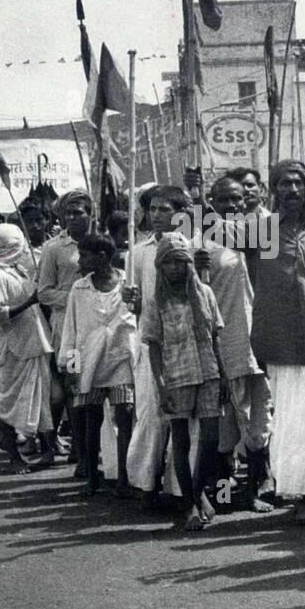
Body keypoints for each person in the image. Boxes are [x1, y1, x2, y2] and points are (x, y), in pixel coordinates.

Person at [251, 160, 305, 525]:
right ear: (273, 190)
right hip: (280, 338)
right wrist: (195, 203)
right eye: (284, 184)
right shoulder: (264, 232)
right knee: (291, 419)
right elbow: (208, 230)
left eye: (298, 184)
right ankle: (299, 494)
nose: (291, 191)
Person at [143, 232, 227, 531]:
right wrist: (160, 384)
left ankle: (198, 489)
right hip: (175, 376)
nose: (176, 268)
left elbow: (215, 335)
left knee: (211, 438)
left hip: (208, 372)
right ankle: (190, 503)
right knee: (180, 439)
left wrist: (224, 373)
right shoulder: (156, 302)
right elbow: (153, 345)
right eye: (169, 263)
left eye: (181, 261)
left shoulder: (204, 293)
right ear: (161, 267)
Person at [204, 176, 275, 512]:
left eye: (238, 199)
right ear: (212, 202)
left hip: (260, 336)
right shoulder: (203, 241)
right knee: (222, 421)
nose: (233, 206)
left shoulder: (261, 234)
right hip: (223, 338)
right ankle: (221, 493)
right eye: (224, 200)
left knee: (260, 414)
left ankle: (258, 487)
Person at [126, 185, 193, 506]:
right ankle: (145, 484)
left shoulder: (193, 246)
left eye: (164, 209)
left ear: (179, 213)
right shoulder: (138, 252)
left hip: (187, 344)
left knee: (186, 419)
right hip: (152, 342)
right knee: (151, 414)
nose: (155, 215)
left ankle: (182, 489)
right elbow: (135, 305)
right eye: (152, 209)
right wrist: (131, 301)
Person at [60, 233, 137, 496]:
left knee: (124, 416)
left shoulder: (128, 283)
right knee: (91, 419)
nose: (80, 260)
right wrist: (70, 368)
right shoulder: (79, 288)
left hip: (121, 359)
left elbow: (139, 317)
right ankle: (93, 478)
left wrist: (133, 299)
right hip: (88, 361)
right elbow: (70, 329)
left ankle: (125, 479)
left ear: (102, 256)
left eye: (84, 255)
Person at [0, 223, 55, 470]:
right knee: (7, 402)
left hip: (36, 342)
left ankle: (47, 450)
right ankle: (14, 457)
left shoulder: (19, 270)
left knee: (44, 400)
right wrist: (29, 301)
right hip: (13, 348)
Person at [36, 188, 94, 468]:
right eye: (67, 213)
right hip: (67, 329)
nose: (71, 218)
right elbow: (44, 292)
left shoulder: (100, 242)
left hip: (97, 325)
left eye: (78, 212)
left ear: (90, 214)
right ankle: (68, 449)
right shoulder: (53, 248)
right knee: (70, 389)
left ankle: (87, 449)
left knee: (93, 388)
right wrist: (75, 295)